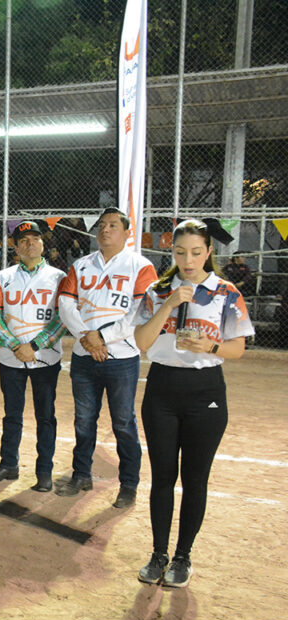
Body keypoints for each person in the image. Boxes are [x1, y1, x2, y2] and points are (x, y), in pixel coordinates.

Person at [133, 219, 254, 588]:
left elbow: (238, 348)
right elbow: (141, 341)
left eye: (196, 252)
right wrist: (169, 303)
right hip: (162, 390)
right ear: (172, 251)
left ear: (209, 251)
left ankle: (183, 556)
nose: (188, 260)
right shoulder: (157, 290)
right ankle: (158, 554)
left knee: (195, 479)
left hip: (205, 393)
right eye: (180, 252)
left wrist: (211, 346)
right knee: (162, 477)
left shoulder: (226, 292)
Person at [56, 207, 157, 507]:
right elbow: (65, 303)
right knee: (83, 420)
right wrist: (87, 338)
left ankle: (129, 484)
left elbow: (141, 312)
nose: (105, 230)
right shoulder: (81, 265)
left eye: (113, 225)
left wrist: (102, 337)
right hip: (84, 355)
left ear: (127, 232)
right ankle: (81, 474)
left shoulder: (141, 266)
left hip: (122, 357)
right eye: (101, 225)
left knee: (123, 422)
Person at [0, 222, 67, 490]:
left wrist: (35, 345)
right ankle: (9, 465)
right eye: (23, 240)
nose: (30, 243)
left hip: (45, 358)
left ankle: (44, 472)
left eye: (35, 239)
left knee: (46, 416)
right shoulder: (4, 277)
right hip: (11, 358)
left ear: (43, 243)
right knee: (11, 414)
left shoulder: (59, 277)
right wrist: (13, 343)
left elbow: (63, 317)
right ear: (15, 247)